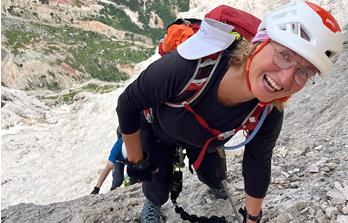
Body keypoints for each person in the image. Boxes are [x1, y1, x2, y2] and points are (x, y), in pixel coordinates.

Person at [116, 1, 343, 222]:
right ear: (259, 43)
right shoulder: (190, 67)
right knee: (157, 189)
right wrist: (138, 161)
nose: (285, 79)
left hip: (205, 142)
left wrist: (252, 218)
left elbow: (258, 162)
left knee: (215, 178)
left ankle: (211, 182)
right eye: (284, 55)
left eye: (304, 71)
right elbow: (128, 102)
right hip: (157, 132)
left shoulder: (268, 111)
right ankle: (154, 202)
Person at [91, 127, 138, 194]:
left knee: (135, 178)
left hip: (133, 157)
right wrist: (97, 188)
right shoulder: (116, 149)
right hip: (118, 161)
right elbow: (107, 169)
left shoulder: (136, 145)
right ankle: (112, 192)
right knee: (118, 180)